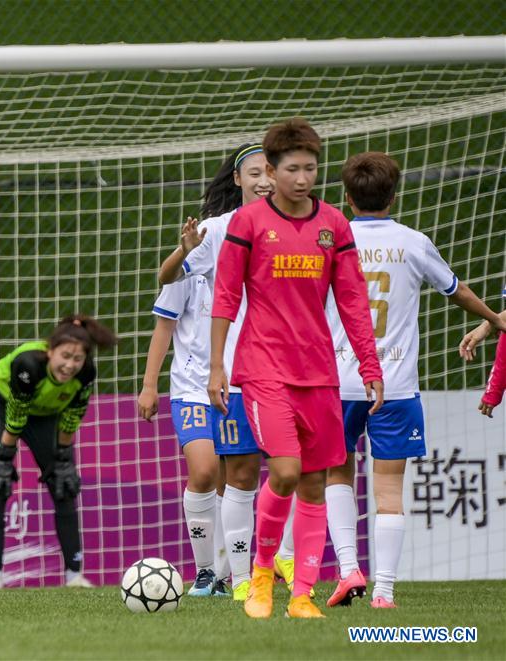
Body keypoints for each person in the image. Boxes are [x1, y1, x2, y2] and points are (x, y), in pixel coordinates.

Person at [207, 118, 384, 619]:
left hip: (321, 373)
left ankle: (301, 594)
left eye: (310, 168)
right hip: (263, 368)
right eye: (292, 169)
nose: (302, 178)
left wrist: (369, 366)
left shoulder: (335, 225)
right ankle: (262, 574)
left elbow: (352, 302)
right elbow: (226, 297)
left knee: (313, 482)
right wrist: (218, 366)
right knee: (283, 471)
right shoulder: (249, 223)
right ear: (272, 169)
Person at [323, 152, 506, 609]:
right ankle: (383, 592)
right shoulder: (412, 242)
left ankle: (348, 571)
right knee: (389, 491)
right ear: (395, 195)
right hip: (395, 385)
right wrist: (494, 321)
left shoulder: (330, 242)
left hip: (337, 382)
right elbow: (456, 290)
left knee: (336, 474)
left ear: (347, 197)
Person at [141, 144, 272, 600]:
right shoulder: (213, 234)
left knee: (238, 478)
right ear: (238, 180)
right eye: (254, 172)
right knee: (202, 472)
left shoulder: (284, 235)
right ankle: (204, 574)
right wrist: (149, 384)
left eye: (269, 172)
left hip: (248, 379)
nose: (264, 180)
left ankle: (233, 577)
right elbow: (166, 294)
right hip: (195, 382)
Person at [0, 315, 117, 589]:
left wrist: (63, 457)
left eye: (77, 359)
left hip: (45, 414)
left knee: (63, 484)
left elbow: (73, 416)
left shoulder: (86, 373)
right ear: (50, 350)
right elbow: (17, 413)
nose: (70, 365)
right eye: (65, 356)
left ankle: (74, 574)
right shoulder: (28, 364)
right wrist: (5, 456)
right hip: (2, 404)